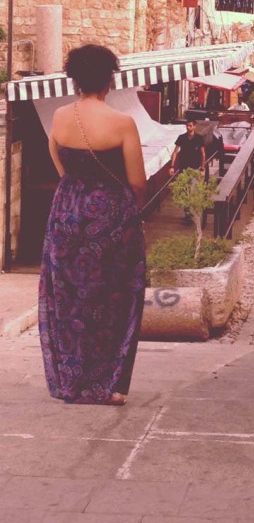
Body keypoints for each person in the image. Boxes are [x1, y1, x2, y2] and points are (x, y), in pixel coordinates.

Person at [39, 44, 147, 407]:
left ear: (75, 79)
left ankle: (72, 381)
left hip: (67, 215)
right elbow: (136, 182)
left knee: (69, 299)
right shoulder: (122, 123)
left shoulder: (59, 116)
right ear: (109, 79)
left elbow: (58, 160)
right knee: (115, 299)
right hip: (111, 220)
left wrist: (76, 196)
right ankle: (110, 385)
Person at [169, 120, 206, 221]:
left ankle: (192, 212)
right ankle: (187, 213)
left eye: (190, 126)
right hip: (183, 168)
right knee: (184, 191)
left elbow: (203, 153)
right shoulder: (182, 137)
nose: (188, 127)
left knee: (193, 190)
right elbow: (175, 151)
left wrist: (202, 168)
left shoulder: (199, 138)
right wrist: (172, 166)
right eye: (187, 126)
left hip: (195, 168)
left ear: (194, 127)